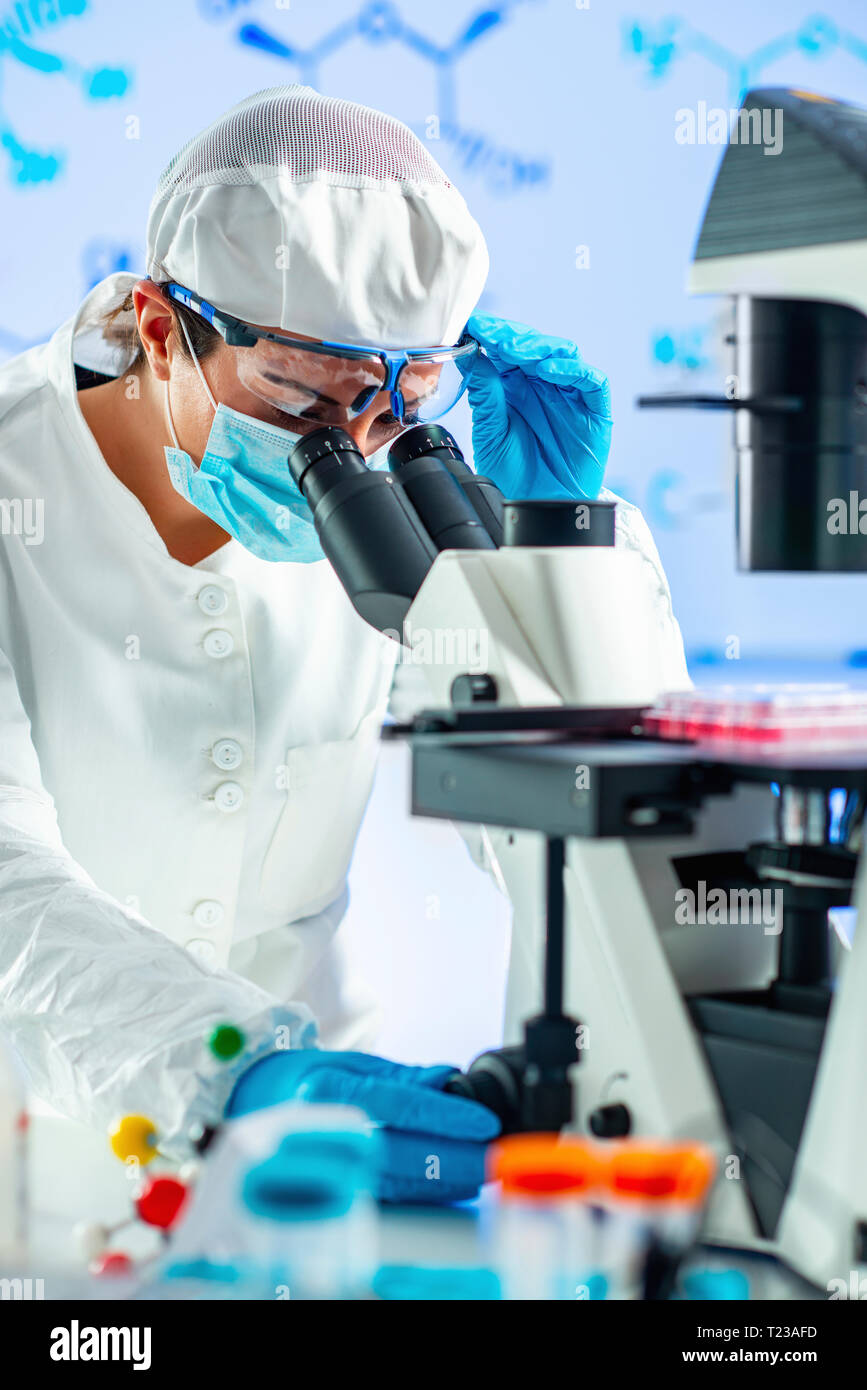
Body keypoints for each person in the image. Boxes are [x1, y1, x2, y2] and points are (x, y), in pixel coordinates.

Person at [0, 86, 687, 1204]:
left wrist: (555, 564)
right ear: (162, 328)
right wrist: (233, 1078)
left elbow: (569, 822)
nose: (357, 448)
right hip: (29, 1181)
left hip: (319, 1172)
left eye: (397, 403)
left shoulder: (393, 510)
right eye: (308, 401)